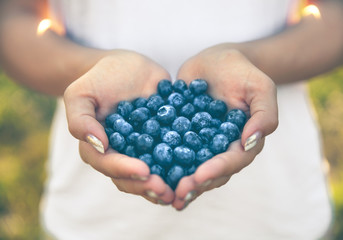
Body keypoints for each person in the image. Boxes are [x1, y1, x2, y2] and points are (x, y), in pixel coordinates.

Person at [1, 0, 342, 239]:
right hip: (98, 214)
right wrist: (86, 70)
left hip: (274, 205)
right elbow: (13, 17)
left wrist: (253, 60)